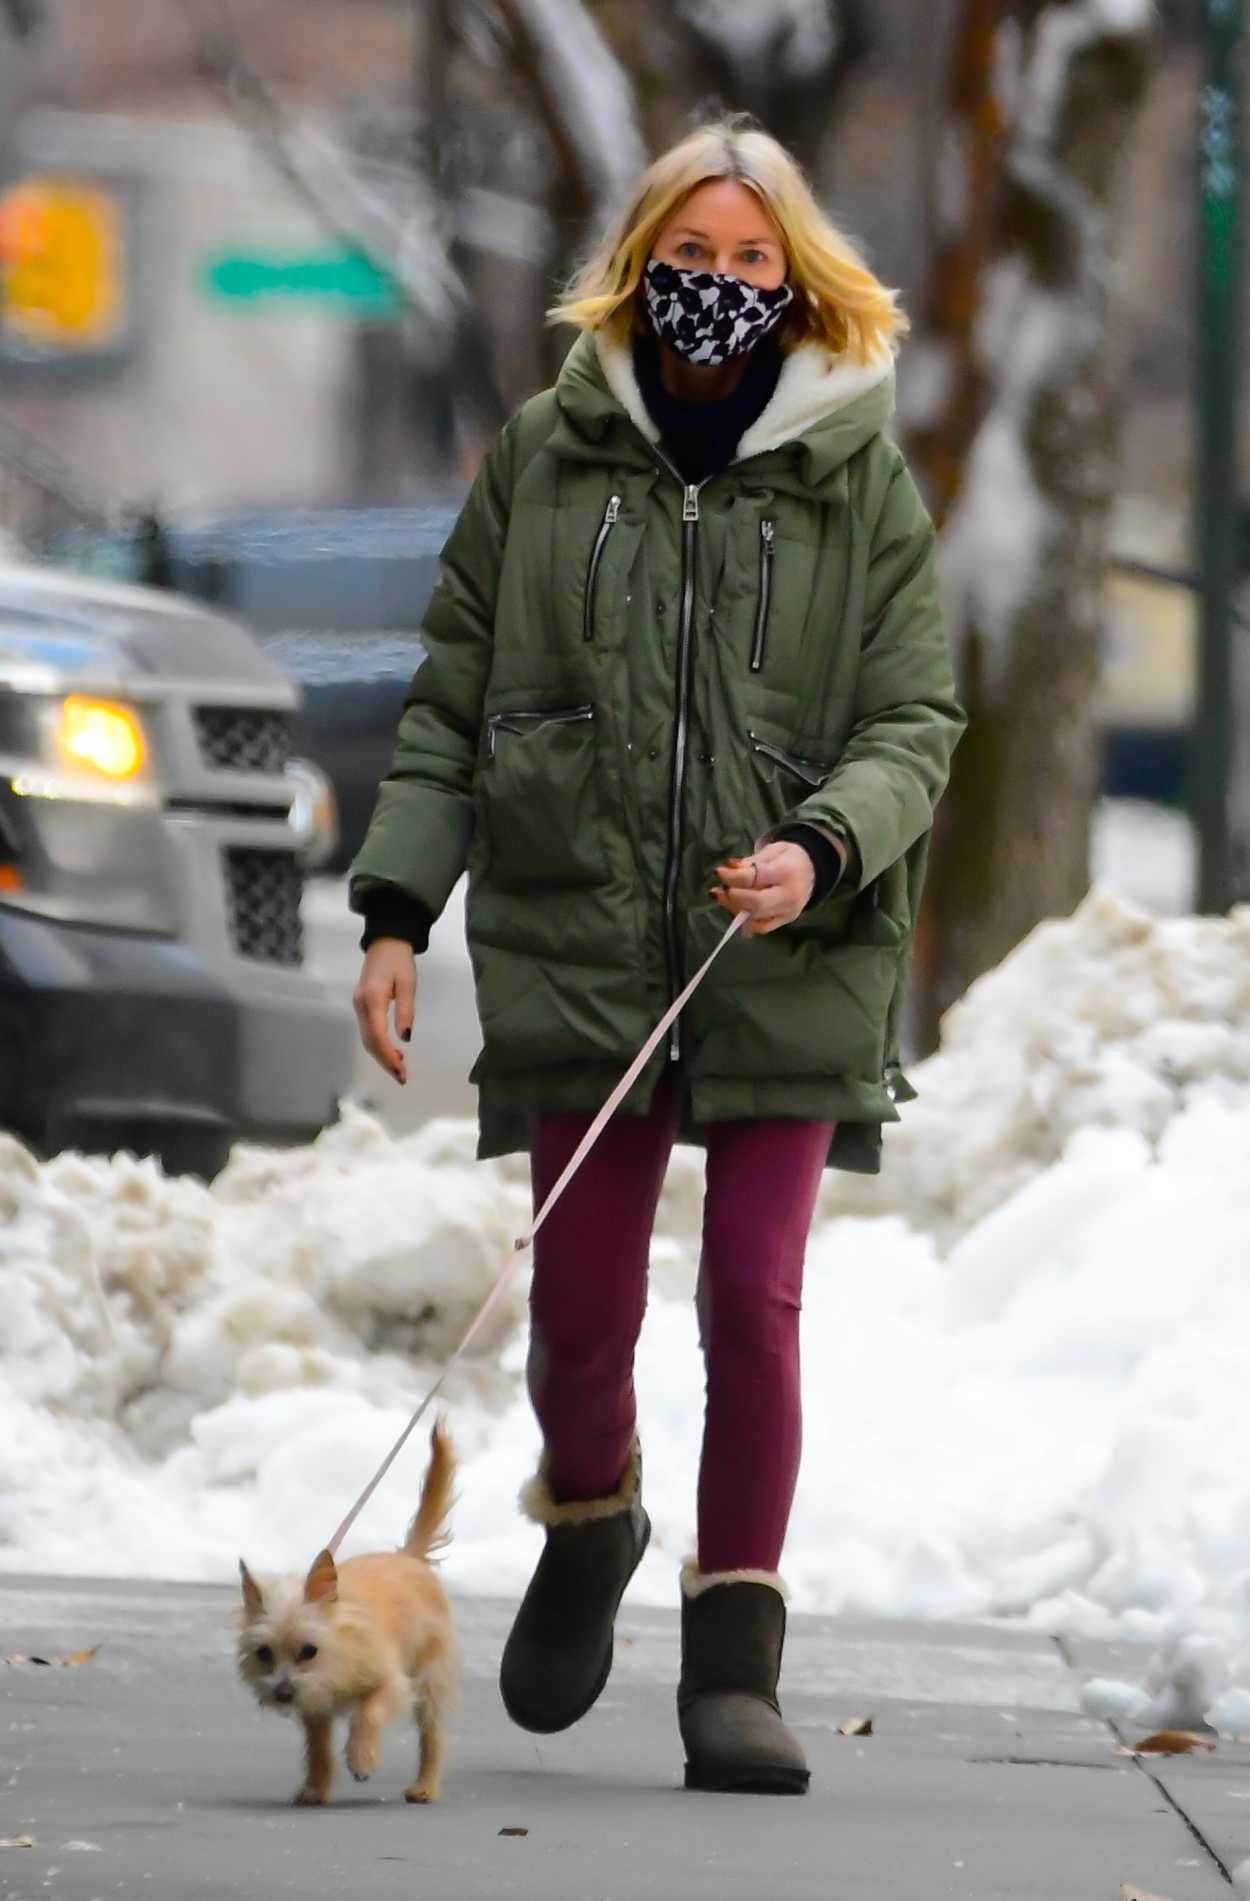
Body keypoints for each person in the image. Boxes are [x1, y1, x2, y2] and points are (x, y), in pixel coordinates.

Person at [349, 118, 964, 1797]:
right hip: (580, 930)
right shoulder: (545, 458)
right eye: (689, 257)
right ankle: (594, 1506)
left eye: (752, 261)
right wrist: (398, 913)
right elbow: (452, 704)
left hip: (792, 943)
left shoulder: (859, 478)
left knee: (753, 1301)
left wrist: (822, 842)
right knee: (576, 1310)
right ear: (638, 265)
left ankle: (735, 1658)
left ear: (798, 279)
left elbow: (917, 714)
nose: (718, 287)